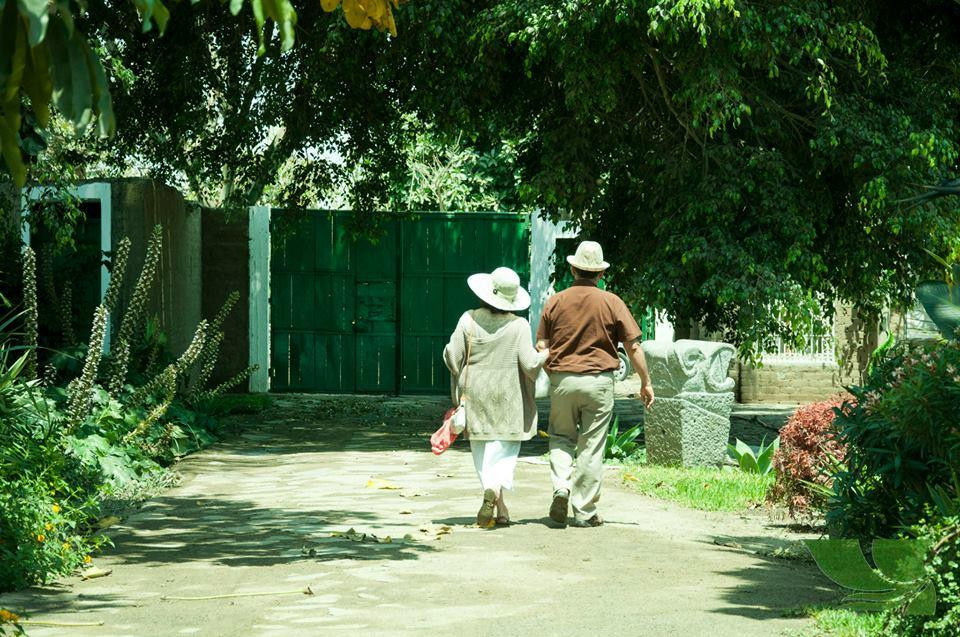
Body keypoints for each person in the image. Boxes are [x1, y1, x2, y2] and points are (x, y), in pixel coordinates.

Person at [536, 241, 655, 528]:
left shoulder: (555, 301)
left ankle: (561, 488)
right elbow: (634, 346)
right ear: (600, 273)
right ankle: (585, 511)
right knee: (591, 446)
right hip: (599, 382)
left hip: (563, 380)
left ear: (573, 269)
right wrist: (645, 382)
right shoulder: (612, 302)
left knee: (561, 437)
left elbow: (542, 345)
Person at [443, 267, 548, 528]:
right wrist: (545, 355)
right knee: (503, 453)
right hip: (509, 397)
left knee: (481, 453)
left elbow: (452, 358)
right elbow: (529, 364)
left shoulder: (468, 319)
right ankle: (494, 495)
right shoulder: (519, 325)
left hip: (476, 395)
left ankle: (499, 507)